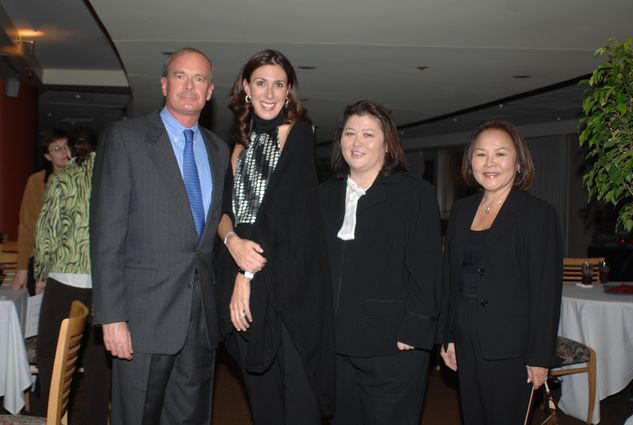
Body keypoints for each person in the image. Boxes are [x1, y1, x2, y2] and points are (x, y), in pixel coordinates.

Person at [90, 47, 229, 425]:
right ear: (165, 85)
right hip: (142, 318)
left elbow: (210, 234)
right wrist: (112, 316)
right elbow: (107, 233)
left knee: (191, 418)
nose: (190, 86)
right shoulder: (126, 138)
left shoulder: (218, 149)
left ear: (210, 91)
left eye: (199, 78)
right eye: (181, 76)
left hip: (200, 319)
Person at [216, 49, 335, 425]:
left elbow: (282, 213)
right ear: (246, 89)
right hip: (240, 276)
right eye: (261, 83)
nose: (270, 93)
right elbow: (221, 214)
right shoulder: (236, 145)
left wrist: (246, 275)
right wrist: (232, 243)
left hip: (286, 286)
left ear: (289, 93)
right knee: (263, 401)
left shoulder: (297, 134)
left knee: (298, 402)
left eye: (279, 84)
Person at [319, 100, 442, 425]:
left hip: (393, 344)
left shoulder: (415, 194)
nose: (357, 142)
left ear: (387, 145)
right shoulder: (323, 195)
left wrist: (414, 329)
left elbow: (426, 268)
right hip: (335, 344)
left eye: (368, 134)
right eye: (350, 133)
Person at [438, 120, 563, 425]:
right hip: (466, 339)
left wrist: (539, 356)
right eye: (481, 154)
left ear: (518, 162)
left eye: (500, 154)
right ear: (470, 162)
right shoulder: (461, 210)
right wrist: (448, 336)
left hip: (513, 346)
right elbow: (450, 278)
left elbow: (546, 291)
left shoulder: (537, 215)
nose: (489, 163)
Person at [33, 127, 111, 424]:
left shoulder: (62, 178)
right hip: (102, 280)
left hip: (65, 277)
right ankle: (94, 419)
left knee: (49, 352)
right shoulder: (107, 173)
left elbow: (47, 231)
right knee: (98, 360)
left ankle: (46, 416)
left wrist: (40, 273)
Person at [12, 129, 70, 295]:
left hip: (73, 261)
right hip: (41, 259)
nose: (64, 152)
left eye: (66, 146)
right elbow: (27, 225)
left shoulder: (85, 180)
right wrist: (22, 268)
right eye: (57, 149)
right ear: (47, 156)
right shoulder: (37, 182)